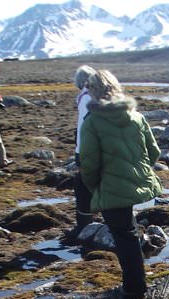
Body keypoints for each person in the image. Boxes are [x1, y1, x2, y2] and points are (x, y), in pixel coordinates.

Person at [79, 69, 162, 299]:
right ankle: (137, 283)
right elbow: (153, 151)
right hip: (134, 183)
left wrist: (95, 186)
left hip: (111, 186)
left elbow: (88, 163)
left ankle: (134, 289)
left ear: (93, 91)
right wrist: (138, 172)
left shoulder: (92, 121)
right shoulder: (135, 116)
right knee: (128, 232)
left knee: (124, 237)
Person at [66, 64, 96, 242]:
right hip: (107, 150)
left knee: (82, 186)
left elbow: (85, 127)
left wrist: (80, 153)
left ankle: (84, 227)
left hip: (89, 150)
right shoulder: (104, 94)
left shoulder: (86, 97)